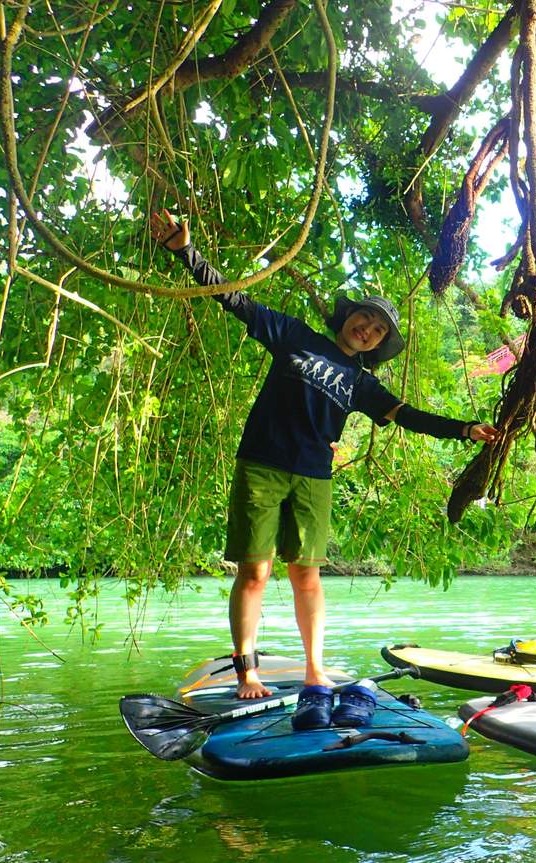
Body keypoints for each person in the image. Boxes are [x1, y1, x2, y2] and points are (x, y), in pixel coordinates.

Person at [149, 210, 497, 725]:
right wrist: (186, 253)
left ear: (378, 343)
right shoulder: (295, 336)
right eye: (365, 319)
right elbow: (235, 300)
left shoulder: (361, 384)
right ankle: (247, 670)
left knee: (307, 575)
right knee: (255, 571)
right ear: (347, 317)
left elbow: (410, 417)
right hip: (262, 465)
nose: (367, 330)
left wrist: (465, 429)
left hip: (313, 477)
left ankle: (315, 669)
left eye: (377, 330)